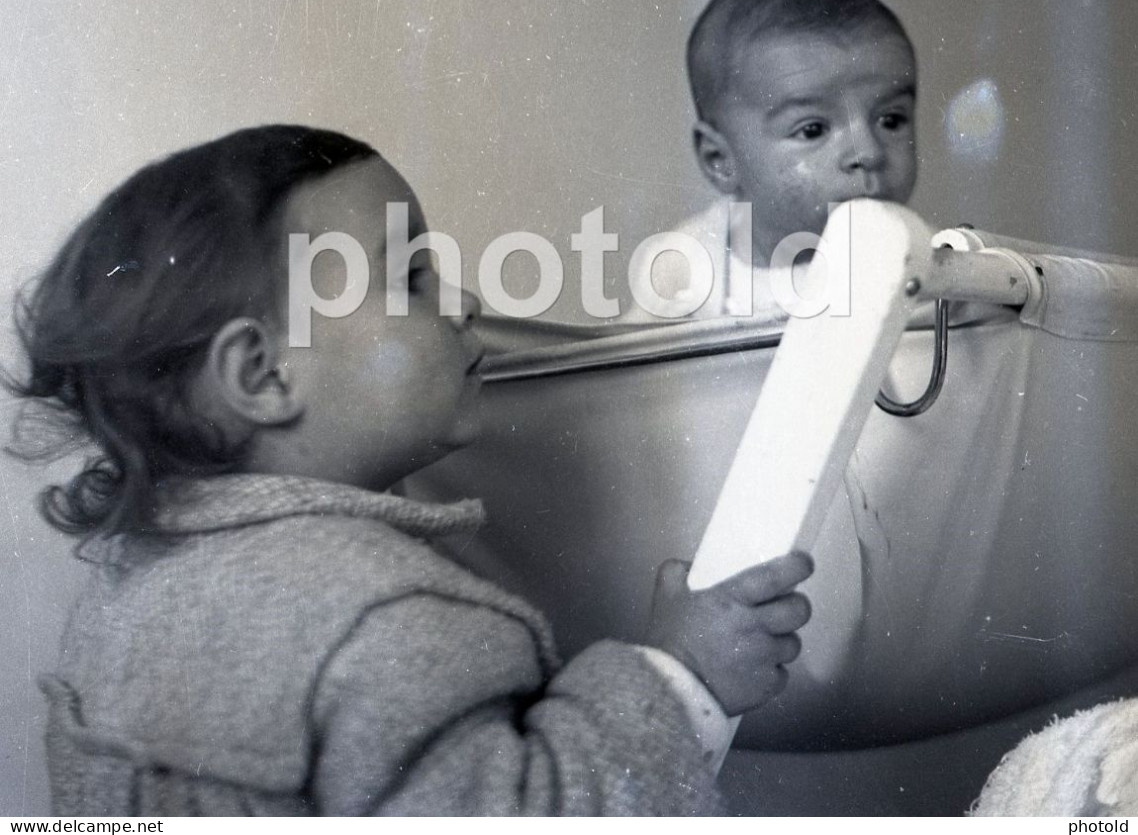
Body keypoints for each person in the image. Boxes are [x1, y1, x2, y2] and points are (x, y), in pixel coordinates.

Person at [7, 125, 812, 817]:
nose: (462, 301)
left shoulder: (125, 585)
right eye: (413, 277)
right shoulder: (392, 616)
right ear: (263, 375)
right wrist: (678, 674)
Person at [628, 0, 918, 321]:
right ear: (720, 159)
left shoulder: (922, 260)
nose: (869, 152)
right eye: (813, 130)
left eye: (891, 120)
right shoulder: (686, 265)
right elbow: (628, 371)